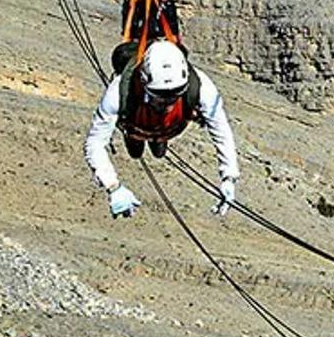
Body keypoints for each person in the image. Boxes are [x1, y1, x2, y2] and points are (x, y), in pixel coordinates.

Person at [85, 40, 239, 218]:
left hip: (169, 126)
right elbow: (95, 143)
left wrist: (229, 177)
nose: (168, 103)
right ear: (144, 83)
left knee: (156, 150)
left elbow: (221, 129)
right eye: (160, 96)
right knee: (136, 151)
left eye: (175, 94)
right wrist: (112, 186)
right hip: (137, 123)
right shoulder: (118, 93)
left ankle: (156, 140)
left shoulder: (202, 88)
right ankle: (141, 139)